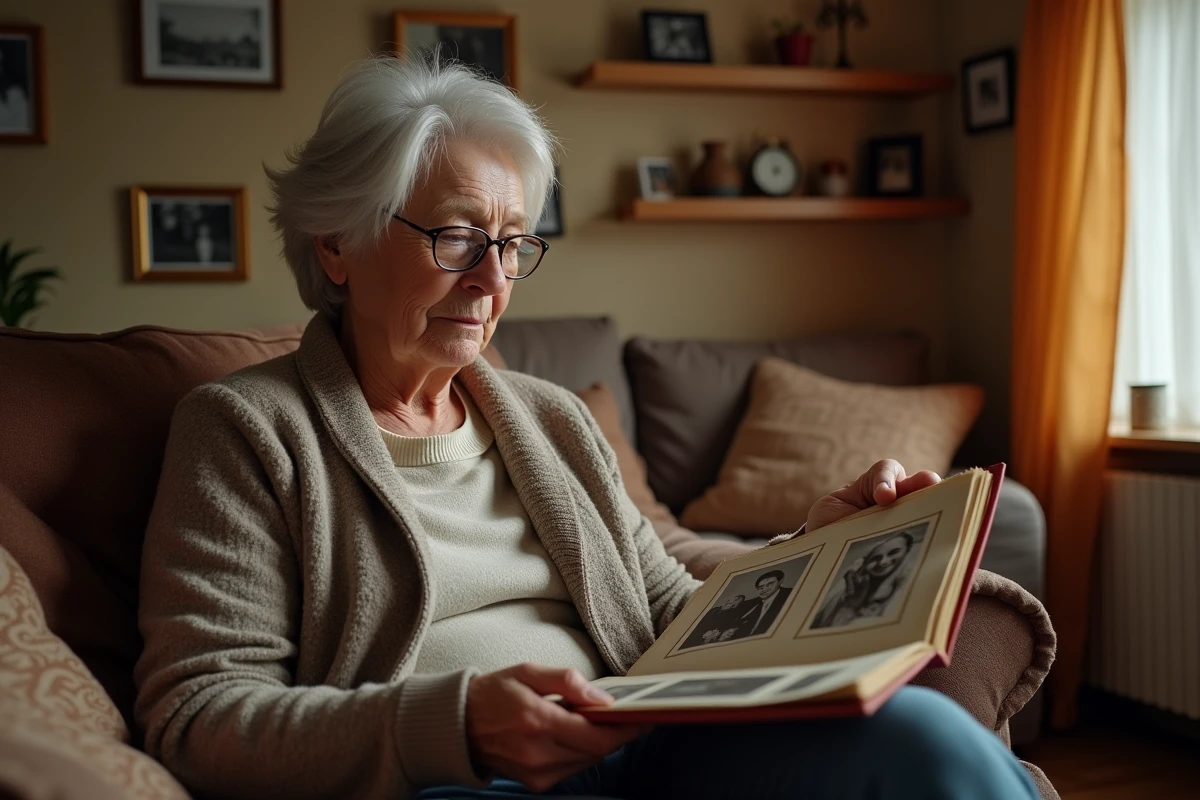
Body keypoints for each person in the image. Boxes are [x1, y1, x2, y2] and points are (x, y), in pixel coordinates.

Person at [134, 55, 1041, 800]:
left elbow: (671, 616)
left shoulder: (551, 419)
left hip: (648, 748)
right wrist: (450, 727)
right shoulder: (245, 432)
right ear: (336, 242)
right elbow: (199, 716)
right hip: (450, 785)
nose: (492, 281)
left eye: (514, 244)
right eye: (455, 238)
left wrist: (816, 552)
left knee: (924, 735)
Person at [813, 532, 917, 629]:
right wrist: (851, 604)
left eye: (894, 553)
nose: (883, 562)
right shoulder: (845, 594)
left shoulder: (905, 587)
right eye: (875, 558)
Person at [736, 570, 794, 637]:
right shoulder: (751, 603)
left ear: (780, 581)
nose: (764, 589)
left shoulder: (791, 593)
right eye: (761, 587)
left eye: (770, 584)